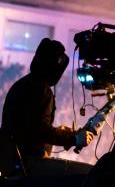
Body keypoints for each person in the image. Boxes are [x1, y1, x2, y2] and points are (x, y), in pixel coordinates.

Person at [0, 38, 94, 176]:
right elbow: (41, 130)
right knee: (86, 174)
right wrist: (75, 139)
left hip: (12, 162)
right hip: (29, 164)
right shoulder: (41, 90)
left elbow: (30, 126)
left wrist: (60, 132)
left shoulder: (22, 84)